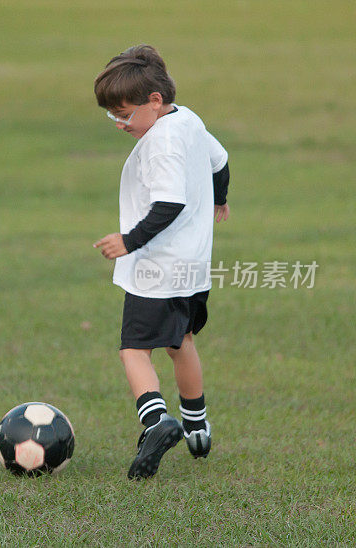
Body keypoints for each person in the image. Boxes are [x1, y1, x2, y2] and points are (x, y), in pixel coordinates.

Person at [91, 44, 231, 479]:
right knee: (180, 342)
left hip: (157, 268)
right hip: (193, 266)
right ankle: (197, 426)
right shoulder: (187, 120)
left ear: (154, 101)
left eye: (125, 114)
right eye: (112, 115)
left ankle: (156, 423)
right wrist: (220, 198)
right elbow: (220, 161)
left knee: (134, 350)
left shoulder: (161, 144)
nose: (120, 123)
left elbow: (168, 203)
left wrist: (129, 242)